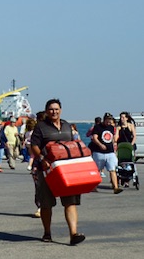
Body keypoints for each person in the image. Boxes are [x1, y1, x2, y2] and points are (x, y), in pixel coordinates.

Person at [31, 99, 86, 245]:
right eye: (51, 109)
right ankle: (47, 232)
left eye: (56, 109)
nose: (54, 112)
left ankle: (73, 233)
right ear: (46, 111)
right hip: (47, 170)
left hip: (66, 169)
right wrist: (42, 158)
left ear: (60, 109)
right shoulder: (41, 127)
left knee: (70, 202)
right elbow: (34, 145)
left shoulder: (67, 125)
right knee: (46, 203)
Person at [90, 113, 122, 194]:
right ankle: (94, 186)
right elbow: (94, 138)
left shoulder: (111, 128)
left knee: (112, 169)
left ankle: (116, 187)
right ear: (104, 120)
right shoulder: (98, 127)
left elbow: (114, 138)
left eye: (110, 120)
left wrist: (114, 144)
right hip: (99, 152)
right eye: (108, 120)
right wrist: (100, 145)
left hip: (110, 152)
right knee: (97, 170)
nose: (109, 122)